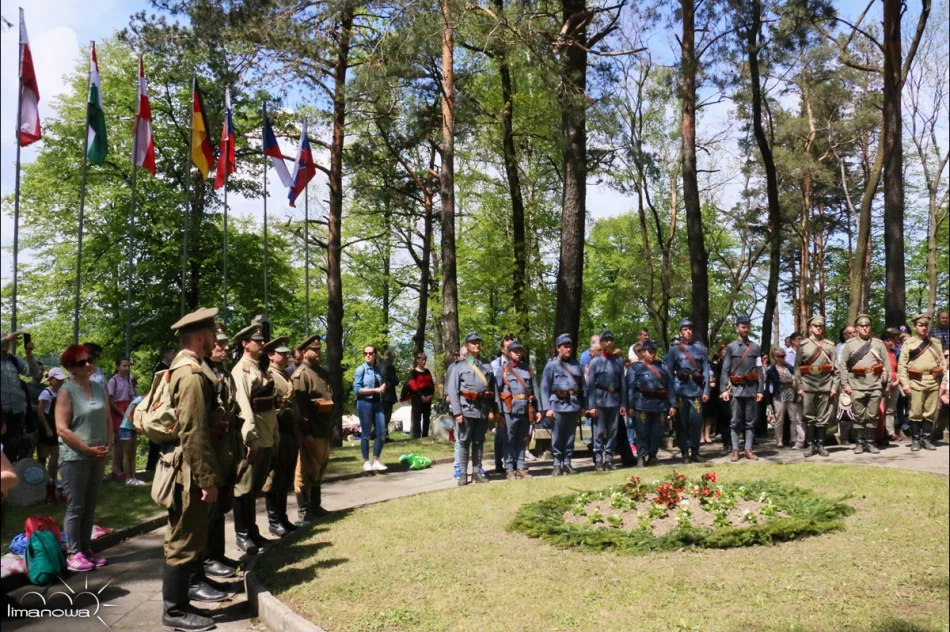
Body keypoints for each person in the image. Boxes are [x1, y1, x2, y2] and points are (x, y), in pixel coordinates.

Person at [159, 308, 225, 630]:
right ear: (200, 337)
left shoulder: (185, 368)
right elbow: (194, 433)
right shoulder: (193, 375)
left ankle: (181, 603)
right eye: (212, 333)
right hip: (189, 471)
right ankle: (174, 611)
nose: (215, 338)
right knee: (184, 540)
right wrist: (206, 478)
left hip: (187, 467)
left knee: (187, 537)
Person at [55, 344, 113, 572]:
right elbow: (61, 428)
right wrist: (87, 449)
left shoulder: (99, 388)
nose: (88, 365)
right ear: (71, 367)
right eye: (82, 362)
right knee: (76, 505)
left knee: (89, 505)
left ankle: (86, 548)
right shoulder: (66, 391)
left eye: (89, 360)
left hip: (98, 454)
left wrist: (109, 444)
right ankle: (73, 552)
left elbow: (107, 418)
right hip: (75, 456)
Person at [231, 322, 280, 554]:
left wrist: (275, 434)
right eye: (257, 341)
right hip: (255, 438)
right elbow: (243, 407)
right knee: (244, 488)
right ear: (245, 344)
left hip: (266, 434)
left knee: (255, 488)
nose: (261, 344)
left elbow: (270, 407)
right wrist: (250, 438)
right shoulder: (241, 371)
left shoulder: (259, 369)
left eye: (262, 340)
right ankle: (242, 535)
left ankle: (252, 531)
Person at [201, 323, 241, 580]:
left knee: (221, 507)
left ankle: (216, 553)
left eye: (226, 344)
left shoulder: (222, 372)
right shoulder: (202, 373)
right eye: (219, 344)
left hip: (226, 448)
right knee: (208, 510)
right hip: (210, 450)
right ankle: (206, 558)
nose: (225, 348)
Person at [291, 334, 334, 524]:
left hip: (323, 429)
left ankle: (316, 506)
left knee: (319, 470)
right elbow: (299, 408)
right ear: (304, 352)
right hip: (311, 431)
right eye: (314, 350)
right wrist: (305, 433)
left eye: (319, 349)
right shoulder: (301, 375)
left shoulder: (321, 373)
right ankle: (304, 511)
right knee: (304, 473)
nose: (318, 353)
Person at [263, 337, 301, 537]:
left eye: (287, 353)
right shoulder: (270, 376)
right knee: (274, 478)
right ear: (271, 355)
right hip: (277, 431)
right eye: (282, 353)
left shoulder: (284, 375)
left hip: (289, 431)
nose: (286, 356)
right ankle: (274, 520)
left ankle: (283, 516)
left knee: (285, 477)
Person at [448, 333, 498, 485]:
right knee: (464, 441)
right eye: (473, 343)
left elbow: (493, 387)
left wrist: (494, 409)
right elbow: (452, 390)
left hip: (481, 408)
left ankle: (477, 471)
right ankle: (463, 473)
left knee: (479, 441)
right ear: (467, 346)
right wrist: (457, 412)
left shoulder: (487, 365)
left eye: (478, 342)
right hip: (465, 408)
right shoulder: (459, 366)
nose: (476, 345)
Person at [838, 314, 888, 455]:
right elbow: (843, 366)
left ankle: (870, 443)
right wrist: (844, 384)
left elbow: (886, 365)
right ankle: (860, 443)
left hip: (875, 385)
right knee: (859, 415)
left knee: (872, 414)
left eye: (867, 326)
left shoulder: (878, 344)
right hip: (856, 385)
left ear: (870, 327)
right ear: (857, 328)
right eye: (861, 326)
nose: (865, 328)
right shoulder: (850, 344)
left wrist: (887, 384)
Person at [898, 314, 946, 451]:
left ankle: (926, 439)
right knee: (916, 412)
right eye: (920, 325)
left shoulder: (935, 343)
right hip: (915, 381)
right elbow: (902, 365)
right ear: (915, 327)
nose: (923, 328)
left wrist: (943, 383)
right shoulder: (909, 343)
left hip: (933, 381)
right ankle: (916, 440)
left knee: (929, 412)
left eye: (925, 325)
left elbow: (943, 364)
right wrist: (905, 383)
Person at [666, 319, 711, 464]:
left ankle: (695, 451)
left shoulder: (700, 348)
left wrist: (706, 391)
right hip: (681, 389)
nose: (688, 332)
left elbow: (706, 370)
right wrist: (672, 397)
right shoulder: (674, 350)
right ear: (680, 332)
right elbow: (669, 375)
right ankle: (684, 452)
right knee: (682, 423)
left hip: (696, 389)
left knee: (696, 422)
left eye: (690, 329)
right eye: (685, 329)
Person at [494, 340, 540, 480]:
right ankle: (509, 469)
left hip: (525, 409)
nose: (518, 354)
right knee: (509, 439)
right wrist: (498, 412)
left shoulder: (528, 369)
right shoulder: (503, 370)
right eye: (515, 351)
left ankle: (520, 467)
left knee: (522, 439)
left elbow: (535, 390)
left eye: (520, 351)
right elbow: (497, 391)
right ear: (508, 353)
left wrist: (538, 410)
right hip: (509, 410)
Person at [795, 315, 840, 458]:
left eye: (821, 326)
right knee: (809, 416)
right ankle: (810, 445)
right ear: (810, 328)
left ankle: (821, 445)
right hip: (808, 384)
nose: (819, 328)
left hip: (826, 384)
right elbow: (797, 368)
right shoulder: (803, 345)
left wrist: (834, 386)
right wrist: (800, 386)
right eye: (816, 326)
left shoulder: (830, 345)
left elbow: (836, 369)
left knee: (823, 416)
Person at [541, 334, 586, 476]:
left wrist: (584, 406)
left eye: (570, 346)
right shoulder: (551, 365)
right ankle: (556, 464)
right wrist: (547, 408)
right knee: (557, 436)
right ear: (558, 348)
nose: (568, 349)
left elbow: (583, 387)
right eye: (565, 346)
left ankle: (567, 463)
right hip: (557, 406)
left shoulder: (576, 365)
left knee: (570, 437)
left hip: (573, 405)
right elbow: (544, 388)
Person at [721, 315, 764, 461]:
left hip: (751, 388)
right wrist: (723, 390)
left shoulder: (756, 348)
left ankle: (748, 449)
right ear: (737, 328)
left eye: (747, 327)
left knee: (750, 421)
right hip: (736, 389)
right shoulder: (731, 347)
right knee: (735, 421)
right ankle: (734, 450)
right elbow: (725, 369)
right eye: (742, 327)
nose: (745, 329)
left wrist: (760, 390)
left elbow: (759, 370)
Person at [627, 340, 677, 467]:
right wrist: (630, 406)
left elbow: (670, 386)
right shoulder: (635, 368)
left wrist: (673, 404)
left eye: (654, 351)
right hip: (642, 403)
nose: (652, 354)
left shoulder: (664, 367)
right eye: (650, 351)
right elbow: (630, 388)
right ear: (643, 352)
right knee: (642, 431)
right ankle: (641, 457)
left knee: (657, 432)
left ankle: (653, 455)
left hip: (660, 404)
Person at [586, 331, 628, 470]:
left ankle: (609, 459)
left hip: (614, 401)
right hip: (599, 401)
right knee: (598, 432)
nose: (609, 343)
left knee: (612, 432)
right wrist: (591, 406)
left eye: (611, 340)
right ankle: (598, 459)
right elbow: (590, 385)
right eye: (606, 340)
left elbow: (623, 383)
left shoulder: (618, 360)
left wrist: (623, 403)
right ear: (601, 343)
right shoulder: (595, 362)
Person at [1, 331, 39, 461]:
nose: (7, 342)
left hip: (17, 413)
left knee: (14, 449)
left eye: (8, 341)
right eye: (4, 340)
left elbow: (32, 373)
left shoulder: (14, 359)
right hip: (1, 414)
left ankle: (12, 478)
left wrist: (29, 355)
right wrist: (6, 338)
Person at [353, 345, 389, 472]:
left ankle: (376, 460)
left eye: (370, 353)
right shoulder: (360, 369)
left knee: (382, 432)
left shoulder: (378, 370)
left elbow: (381, 383)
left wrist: (383, 387)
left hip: (377, 403)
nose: (368, 355)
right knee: (366, 433)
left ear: (375, 355)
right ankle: (366, 461)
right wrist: (375, 390)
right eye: (365, 353)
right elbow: (357, 389)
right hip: (364, 403)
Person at [37, 367, 67, 502]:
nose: (60, 382)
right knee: (42, 457)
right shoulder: (45, 394)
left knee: (55, 458)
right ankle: (40, 484)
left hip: (57, 426)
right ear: (50, 379)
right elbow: (40, 412)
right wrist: (47, 429)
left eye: (62, 379)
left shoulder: (61, 393)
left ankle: (52, 483)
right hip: (46, 428)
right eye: (58, 379)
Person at [765, 348, 802, 449]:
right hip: (778, 397)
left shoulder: (789, 368)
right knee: (779, 420)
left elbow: (795, 380)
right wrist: (788, 381)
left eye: (784, 355)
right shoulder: (771, 370)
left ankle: (793, 439)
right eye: (781, 356)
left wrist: (786, 382)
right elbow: (776, 383)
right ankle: (779, 440)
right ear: (776, 357)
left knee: (793, 419)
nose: (783, 358)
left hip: (791, 396)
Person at [107, 356, 136, 480]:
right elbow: (110, 400)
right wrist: (121, 412)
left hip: (127, 408)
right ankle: (116, 469)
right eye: (124, 365)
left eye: (128, 366)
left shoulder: (128, 380)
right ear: (118, 367)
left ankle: (124, 469)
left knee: (127, 441)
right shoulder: (113, 381)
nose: (126, 368)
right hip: (118, 410)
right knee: (119, 441)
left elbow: (130, 396)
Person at [490, 336, 515, 473]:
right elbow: (495, 387)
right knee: (501, 434)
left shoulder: (519, 364)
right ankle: (498, 462)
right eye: (508, 347)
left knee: (514, 435)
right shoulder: (495, 365)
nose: (511, 349)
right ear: (502, 349)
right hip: (501, 404)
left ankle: (513, 462)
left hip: (515, 404)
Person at [405, 352, 435, 438]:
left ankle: (425, 435)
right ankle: (417, 436)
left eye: (425, 360)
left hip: (428, 397)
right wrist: (421, 396)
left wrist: (430, 395)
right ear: (417, 360)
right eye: (422, 360)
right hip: (417, 398)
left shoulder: (427, 371)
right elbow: (413, 385)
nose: (424, 362)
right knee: (417, 417)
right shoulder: (414, 372)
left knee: (426, 417)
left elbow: (432, 384)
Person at [118, 396, 146, 486]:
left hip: (132, 429)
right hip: (126, 428)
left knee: (133, 453)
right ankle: (128, 478)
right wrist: (135, 427)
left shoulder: (143, 401)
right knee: (127, 454)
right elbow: (129, 415)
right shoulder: (139, 400)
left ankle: (134, 477)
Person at [882, 328, 903, 442]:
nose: (891, 343)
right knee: (880, 408)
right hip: (883, 384)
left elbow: (898, 368)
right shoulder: (879, 352)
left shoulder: (896, 353)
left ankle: (890, 432)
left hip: (895, 384)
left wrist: (897, 380)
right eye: (888, 340)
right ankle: (880, 432)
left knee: (891, 409)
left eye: (893, 341)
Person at [379, 349, 400, 440]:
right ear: (392, 357)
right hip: (387, 395)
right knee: (386, 416)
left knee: (381, 415)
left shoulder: (379, 365)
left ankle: (382, 435)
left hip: (379, 393)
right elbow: (395, 380)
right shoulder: (389, 366)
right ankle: (383, 436)